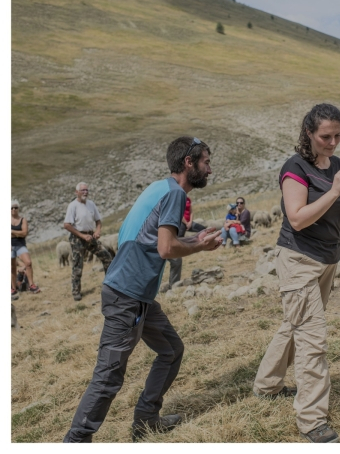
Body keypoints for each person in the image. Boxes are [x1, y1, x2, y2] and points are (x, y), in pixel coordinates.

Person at [63, 137, 223, 443]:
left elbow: (153, 242)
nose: (210, 170)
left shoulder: (160, 187)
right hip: (128, 297)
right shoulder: (175, 194)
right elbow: (166, 248)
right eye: (206, 162)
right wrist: (198, 247)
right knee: (109, 375)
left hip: (137, 296)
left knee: (171, 350)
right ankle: (76, 441)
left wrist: (195, 241)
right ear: (188, 163)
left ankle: (146, 420)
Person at [253, 104, 340, 443]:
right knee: (312, 338)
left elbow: (330, 214)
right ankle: (312, 420)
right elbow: (299, 218)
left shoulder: (339, 165)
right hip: (299, 259)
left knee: (296, 323)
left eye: (337, 135)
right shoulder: (295, 167)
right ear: (309, 133)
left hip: (328, 260)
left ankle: (267, 385)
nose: (332, 143)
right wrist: (333, 191)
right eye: (325, 136)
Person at [63, 183, 113, 301]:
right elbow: (67, 225)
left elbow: (98, 220)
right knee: (77, 265)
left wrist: (98, 231)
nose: (85, 192)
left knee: (107, 257)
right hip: (77, 237)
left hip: (91, 236)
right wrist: (82, 236)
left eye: (86, 190)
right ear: (77, 192)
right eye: (82, 190)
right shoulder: (73, 206)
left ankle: (110, 284)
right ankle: (76, 291)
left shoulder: (91, 204)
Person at [11, 199, 40, 299]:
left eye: (15, 207)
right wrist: (17, 233)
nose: (14, 209)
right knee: (12, 268)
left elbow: (24, 233)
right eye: (11, 208)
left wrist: (11, 232)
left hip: (20, 245)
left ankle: (31, 285)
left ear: (18, 208)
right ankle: (13, 288)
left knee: (28, 263)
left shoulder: (23, 220)